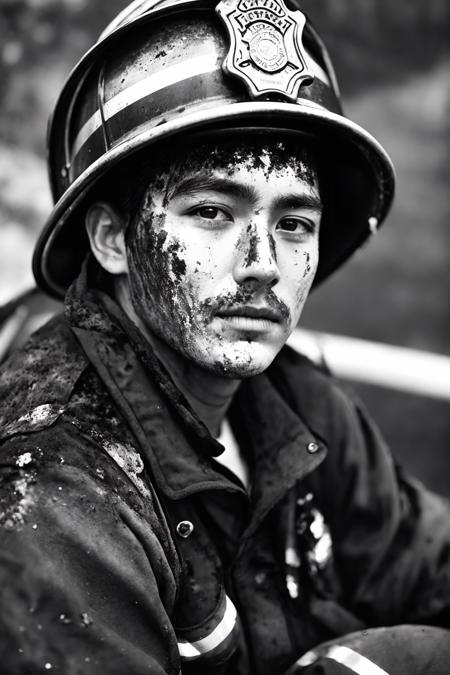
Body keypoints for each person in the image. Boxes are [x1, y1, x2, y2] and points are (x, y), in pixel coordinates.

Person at [0, 1, 448, 673]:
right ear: (112, 238)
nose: (264, 264)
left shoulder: (296, 404)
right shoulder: (57, 493)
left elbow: (429, 560)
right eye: (212, 211)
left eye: (295, 221)